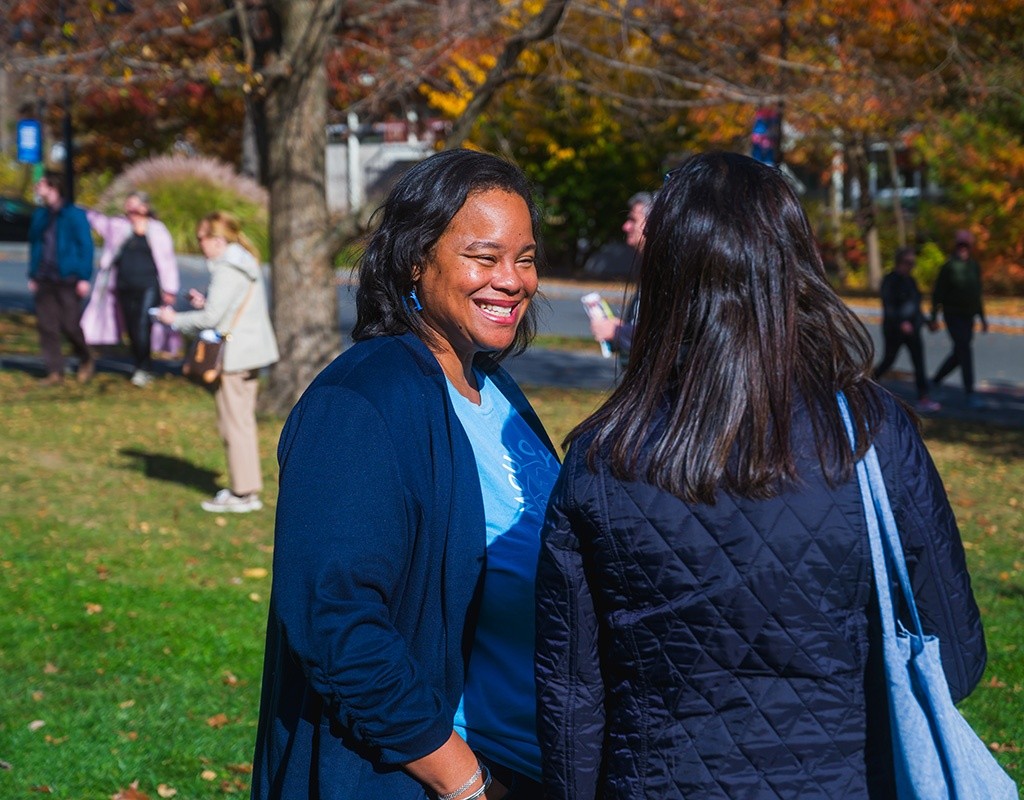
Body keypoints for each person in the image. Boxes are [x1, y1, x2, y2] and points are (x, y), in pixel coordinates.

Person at [535, 152, 987, 800]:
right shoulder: (870, 434)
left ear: (661, 274)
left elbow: (571, 704)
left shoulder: (601, 457)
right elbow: (957, 660)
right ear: (793, 267)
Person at [250, 149, 559, 800]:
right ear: (416, 259)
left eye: (525, 258)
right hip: (422, 779)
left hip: (525, 767)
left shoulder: (496, 392)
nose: (513, 280)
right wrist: (465, 780)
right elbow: (336, 622)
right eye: (484, 256)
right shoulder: (362, 402)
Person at [156, 212, 278, 513]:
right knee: (242, 423)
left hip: (235, 356)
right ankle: (246, 489)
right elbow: (227, 306)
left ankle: (243, 494)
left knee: (233, 424)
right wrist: (206, 302)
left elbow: (212, 318)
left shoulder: (228, 268)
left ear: (218, 239)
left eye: (202, 239)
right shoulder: (244, 262)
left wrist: (174, 320)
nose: (200, 245)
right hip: (251, 352)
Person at [84, 191, 181, 386]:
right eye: (128, 206)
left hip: (149, 285)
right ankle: (139, 363)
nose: (131, 210)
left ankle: (144, 367)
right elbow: (96, 219)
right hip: (123, 285)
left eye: (135, 206)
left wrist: (170, 289)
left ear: (145, 208)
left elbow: (167, 261)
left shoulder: (157, 230)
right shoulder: (119, 227)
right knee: (131, 327)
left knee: (143, 324)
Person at [26, 171, 96, 386]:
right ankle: (55, 371)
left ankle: (85, 357)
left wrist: (84, 277)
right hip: (45, 276)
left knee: (70, 324)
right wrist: (33, 274)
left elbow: (86, 246)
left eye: (41, 184)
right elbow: (35, 245)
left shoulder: (74, 214)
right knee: (47, 326)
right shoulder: (40, 215)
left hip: (68, 277)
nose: (37, 187)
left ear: (53, 187)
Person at [588, 191, 654, 363]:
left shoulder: (666, 272)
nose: (625, 227)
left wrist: (617, 331)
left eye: (633, 220)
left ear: (652, 224)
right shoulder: (649, 268)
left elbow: (663, 338)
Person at [873, 246, 940, 412]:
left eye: (913, 263)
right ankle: (868, 383)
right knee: (889, 359)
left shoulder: (911, 282)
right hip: (894, 329)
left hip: (913, 329)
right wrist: (900, 322)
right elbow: (889, 306)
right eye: (907, 262)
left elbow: (916, 307)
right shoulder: (890, 280)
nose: (910, 266)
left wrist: (927, 322)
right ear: (899, 262)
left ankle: (923, 397)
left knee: (919, 362)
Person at [930, 229, 988, 408]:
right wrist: (934, 316)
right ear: (956, 247)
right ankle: (970, 392)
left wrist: (982, 318)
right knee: (964, 349)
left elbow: (977, 294)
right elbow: (937, 293)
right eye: (960, 246)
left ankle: (935, 380)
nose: (963, 250)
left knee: (959, 353)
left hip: (968, 315)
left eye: (966, 246)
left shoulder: (974, 267)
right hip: (953, 314)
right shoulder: (949, 267)